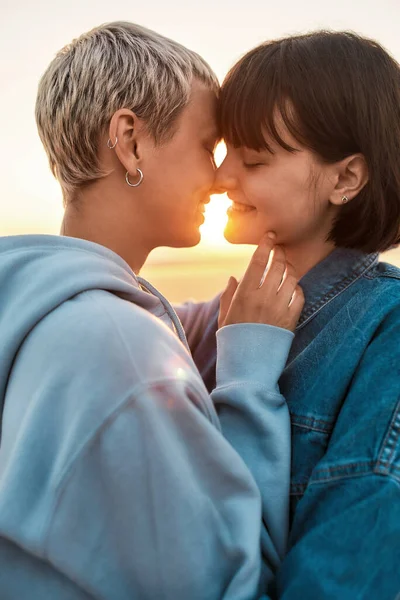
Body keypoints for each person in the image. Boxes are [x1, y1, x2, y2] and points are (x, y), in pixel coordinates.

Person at [0, 22, 304, 600]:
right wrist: (247, 381)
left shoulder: (38, 307)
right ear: (131, 141)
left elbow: (173, 324)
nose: (219, 177)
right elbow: (232, 588)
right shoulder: (118, 350)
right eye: (206, 145)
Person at [183, 30, 400, 599]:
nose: (221, 176)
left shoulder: (389, 332)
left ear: (345, 178)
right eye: (226, 150)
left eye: (253, 159)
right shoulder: (218, 318)